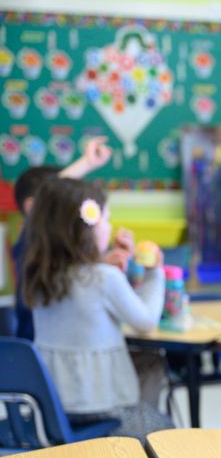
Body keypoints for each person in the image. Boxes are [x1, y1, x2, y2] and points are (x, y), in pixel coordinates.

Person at [21, 178, 173, 440]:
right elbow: (146, 320)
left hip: (53, 410)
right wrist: (154, 274)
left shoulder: (39, 277)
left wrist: (103, 261)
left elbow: (79, 284)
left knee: (149, 363)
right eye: (106, 219)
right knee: (166, 429)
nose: (110, 226)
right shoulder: (103, 278)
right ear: (85, 229)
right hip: (103, 411)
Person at [11, 136, 130, 341]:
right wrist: (87, 163)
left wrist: (101, 262)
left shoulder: (54, 251)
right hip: (48, 358)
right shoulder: (31, 241)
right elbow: (48, 197)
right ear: (34, 207)